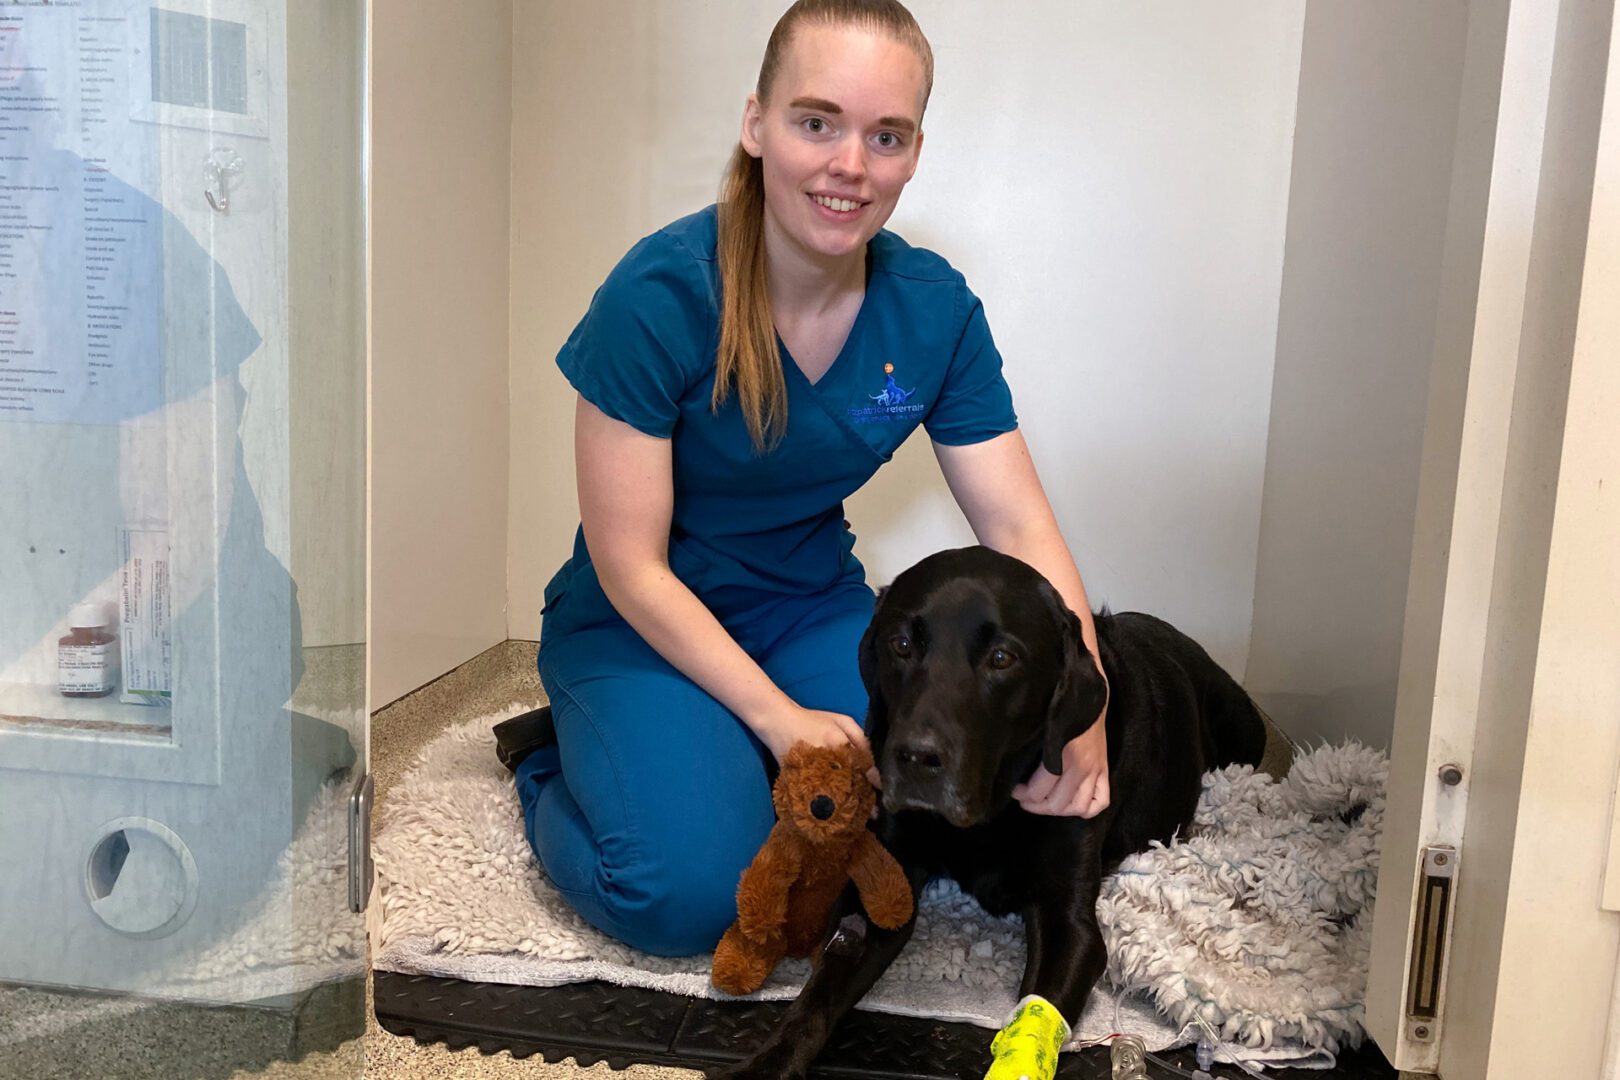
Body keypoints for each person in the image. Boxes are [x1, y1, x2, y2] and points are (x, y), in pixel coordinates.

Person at [507, 0, 1111, 958]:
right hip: (638, 622)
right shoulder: (659, 294)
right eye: (816, 121)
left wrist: (1091, 707)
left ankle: (703, 752)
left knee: (892, 827)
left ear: (915, 153)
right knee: (694, 894)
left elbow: (1020, 526)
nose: (850, 165)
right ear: (757, 125)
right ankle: (548, 763)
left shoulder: (934, 313)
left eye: (887, 135)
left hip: (809, 608)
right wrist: (780, 719)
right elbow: (631, 565)